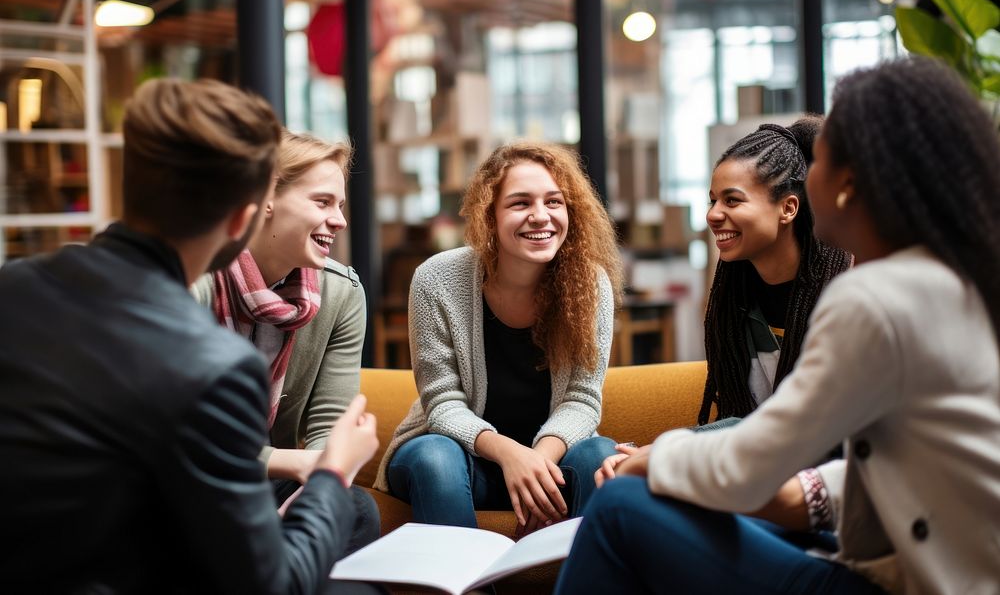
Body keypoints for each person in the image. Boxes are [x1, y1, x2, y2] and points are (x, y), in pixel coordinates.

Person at [556, 57, 1000, 594]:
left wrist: (659, 457)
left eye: (820, 160)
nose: (809, 173)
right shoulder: (955, 282)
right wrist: (808, 500)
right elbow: (918, 466)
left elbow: (753, 462)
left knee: (623, 506)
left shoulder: (872, 299)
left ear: (849, 184)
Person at [0, 78, 381, 595]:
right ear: (246, 216)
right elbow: (272, 583)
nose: (336, 220)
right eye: (322, 202)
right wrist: (333, 471)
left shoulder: (14, 289)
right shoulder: (211, 364)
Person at [375, 141, 625, 535]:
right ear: (489, 215)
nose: (540, 216)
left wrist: (537, 461)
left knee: (598, 453)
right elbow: (441, 403)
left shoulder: (590, 285)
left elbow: (583, 399)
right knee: (434, 458)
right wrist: (509, 454)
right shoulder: (436, 279)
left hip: (551, 465)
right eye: (520, 203)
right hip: (460, 463)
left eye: (554, 202)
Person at [191, 130, 378, 547]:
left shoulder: (340, 294)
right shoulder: (196, 282)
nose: (340, 220)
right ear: (267, 197)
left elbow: (330, 425)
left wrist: (317, 487)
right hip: (185, 475)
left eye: (340, 205)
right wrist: (297, 465)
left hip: (270, 479)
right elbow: (174, 428)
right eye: (322, 202)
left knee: (356, 509)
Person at [699, 117, 852, 424]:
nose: (713, 215)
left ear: (788, 208)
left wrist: (679, 449)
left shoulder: (848, 293)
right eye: (713, 201)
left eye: (732, 200)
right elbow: (741, 419)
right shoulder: (735, 298)